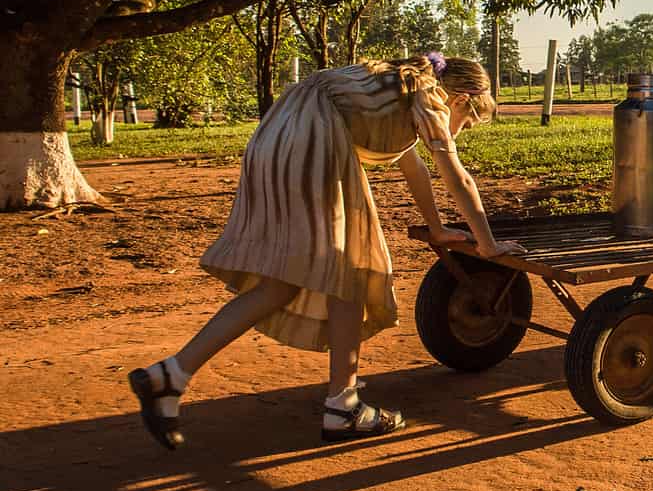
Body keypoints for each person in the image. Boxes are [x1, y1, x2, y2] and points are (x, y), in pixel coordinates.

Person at [128, 53, 524, 449]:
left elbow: (414, 168)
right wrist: (488, 244)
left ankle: (171, 376)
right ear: (461, 100)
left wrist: (437, 228)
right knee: (352, 268)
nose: (461, 131)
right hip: (312, 144)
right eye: (467, 123)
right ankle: (343, 406)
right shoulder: (430, 95)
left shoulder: (400, 89)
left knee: (285, 283)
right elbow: (455, 175)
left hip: (275, 140)